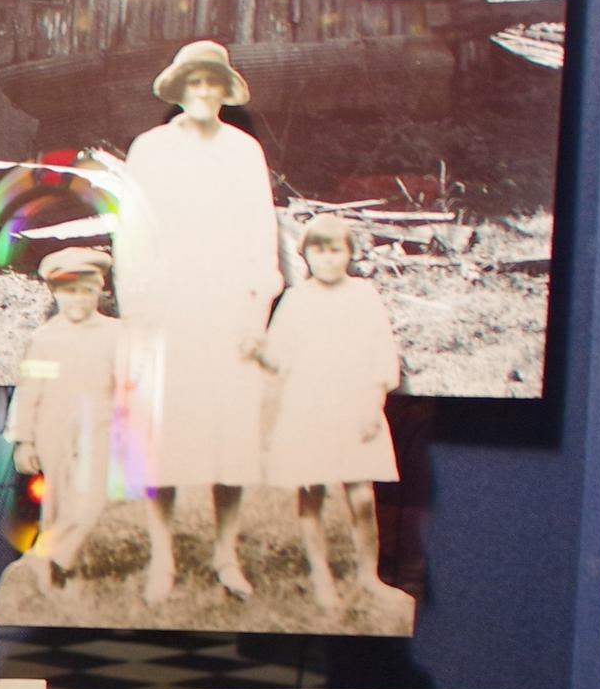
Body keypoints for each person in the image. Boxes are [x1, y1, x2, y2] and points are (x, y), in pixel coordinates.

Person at [113, 42, 284, 604]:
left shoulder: (243, 151)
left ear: (225, 91)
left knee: (228, 435)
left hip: (227, 304)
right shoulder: (150, 149)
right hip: (167, 305)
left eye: (213, 83)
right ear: (179, 89)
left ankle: (224, 554)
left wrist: (258, 310)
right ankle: (163, 555)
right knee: (164, 434)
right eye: (195, 83)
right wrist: (137, 304)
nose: (204, 93)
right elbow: (132, 232)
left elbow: (261, 231)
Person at [257, 214, 402, 608]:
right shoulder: (296, 299)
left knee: (361, 498)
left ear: (349, 253)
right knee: (312, 492)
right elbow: (277, 358)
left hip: (355, 404)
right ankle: (320, 576)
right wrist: (258, 351)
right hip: (310, 407)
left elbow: (381, 353)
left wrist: (375, 402)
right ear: (305, 256)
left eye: (335, 250)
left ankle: (368, 576)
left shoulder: (364, 296)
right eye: (318, 251)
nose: (328, 259)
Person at [4, 246, 135, 590]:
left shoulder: (116, 333)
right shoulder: (45, 339)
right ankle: (53, 569)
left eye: (86, 291)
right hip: (54, 426)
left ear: (101, 291)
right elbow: (30, 390)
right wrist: (24, 440)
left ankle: (60, 557)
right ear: (55, 292)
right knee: (58, 502)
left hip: (101, 426)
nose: (78, 300)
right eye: (69, 291)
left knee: (93, 501)